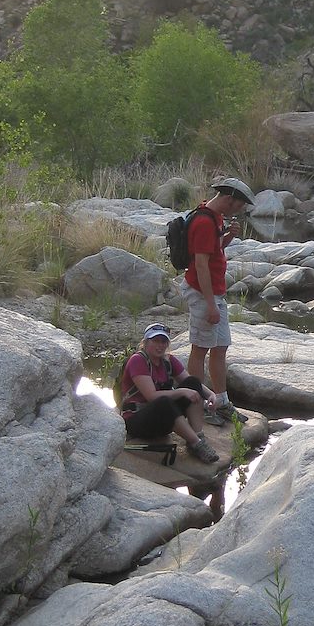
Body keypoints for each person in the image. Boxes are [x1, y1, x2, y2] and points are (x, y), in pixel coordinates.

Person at [185, 175, 254, 425]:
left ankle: (221, 401)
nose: (239, 212)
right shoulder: (203, 222)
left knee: (220, 346)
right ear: (228, 199)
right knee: (200, 348)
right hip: (205, 294)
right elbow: (201, 265)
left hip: (215, 292)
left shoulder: (215, 217)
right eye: (238, 206)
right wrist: (210, 305)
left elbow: (216, 251)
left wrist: (229, 237)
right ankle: (199, 403)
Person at [117, 324, 219, 464]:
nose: (160, 346)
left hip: (162, 417)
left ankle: (197, 436)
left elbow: (189, 381)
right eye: (155, 341)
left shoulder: (168, 360)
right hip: (137, 421)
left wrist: (210, 394)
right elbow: (151, 396)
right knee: (165, 402)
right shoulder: (137, 360)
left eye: (163, 342)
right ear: (146, 342)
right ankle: (197, 444)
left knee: (193, 383)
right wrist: (181, 391)